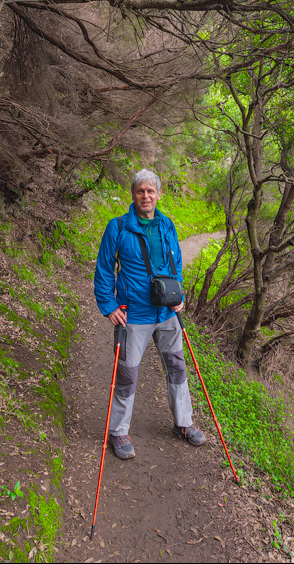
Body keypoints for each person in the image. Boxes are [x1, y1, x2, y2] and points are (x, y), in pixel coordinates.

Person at [94, 169, 206, 460]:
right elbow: (105, 269)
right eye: (140, 191)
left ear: (158, 194)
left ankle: (183, 423)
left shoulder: (167, 226)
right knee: (127, 375)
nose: (146, 196)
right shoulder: (117, 227)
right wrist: (108, 306)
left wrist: (177, 294)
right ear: (133, 194)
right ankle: (118, 432)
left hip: (167, 314)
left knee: (178, 369)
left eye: (151, 191)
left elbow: (176, 263)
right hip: (134, 316)